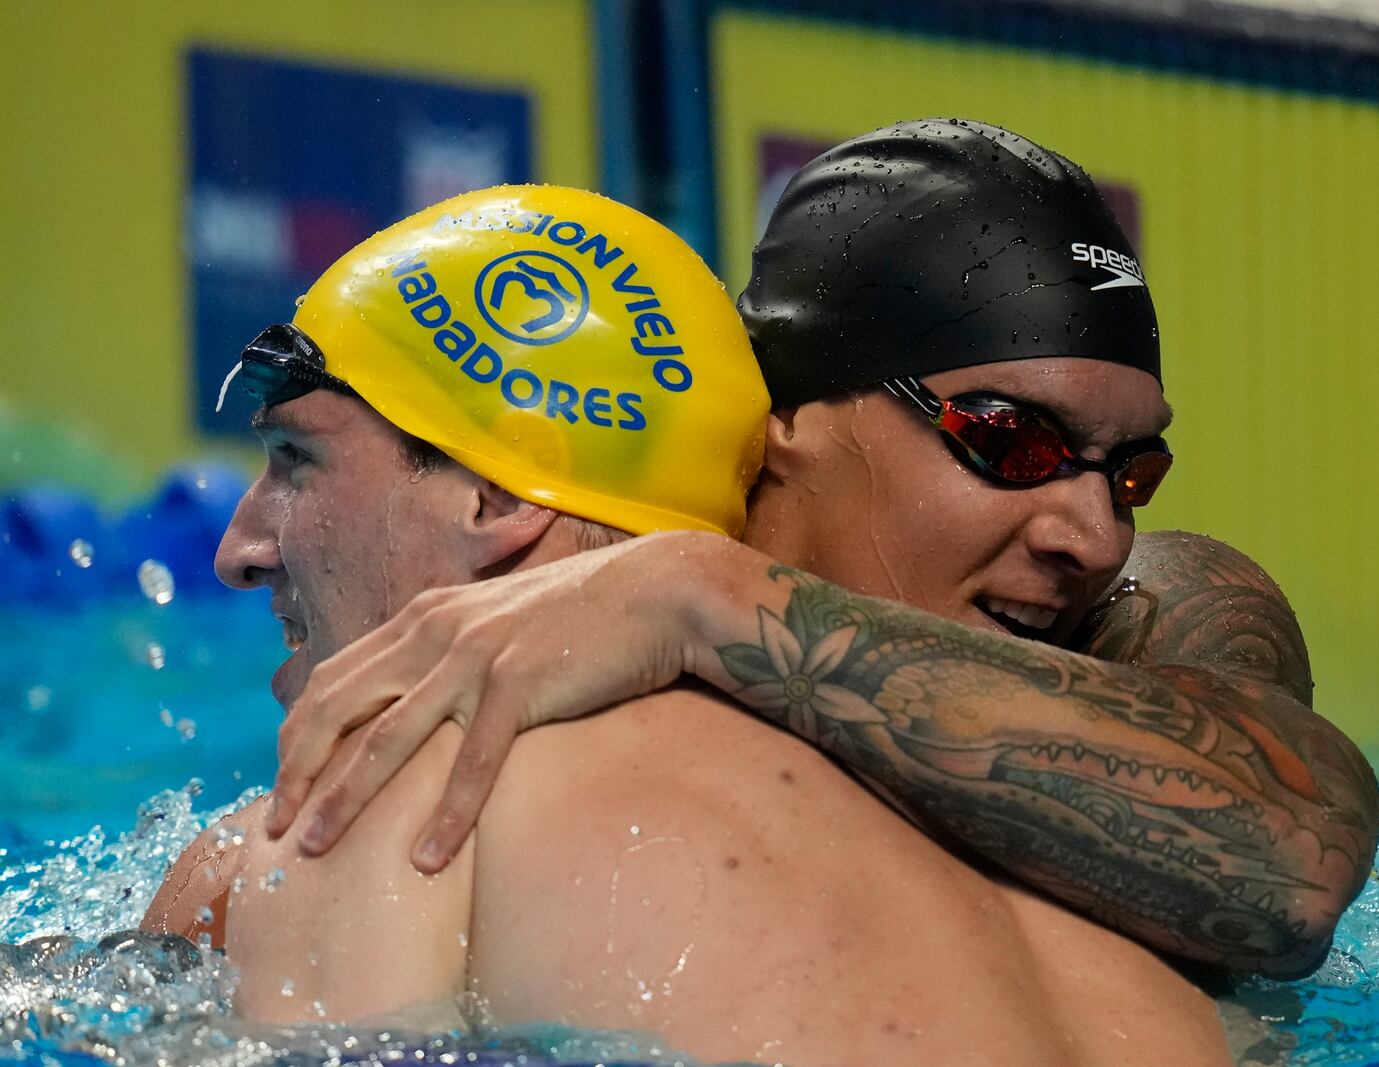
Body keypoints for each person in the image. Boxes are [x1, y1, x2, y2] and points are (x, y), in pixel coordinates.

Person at [262, 118, 1379, 980]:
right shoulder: (578, 645)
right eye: (1011, 441)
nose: (1092, 534)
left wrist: (704, 596)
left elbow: (1292, 871)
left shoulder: (1157, 610)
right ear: (787, 413)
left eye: (1129, 470)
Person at [143, 182, 1235, 1065]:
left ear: (497, 500)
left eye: (296, 460)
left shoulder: (400, 779)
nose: (240, 546)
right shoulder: (1105, 860)